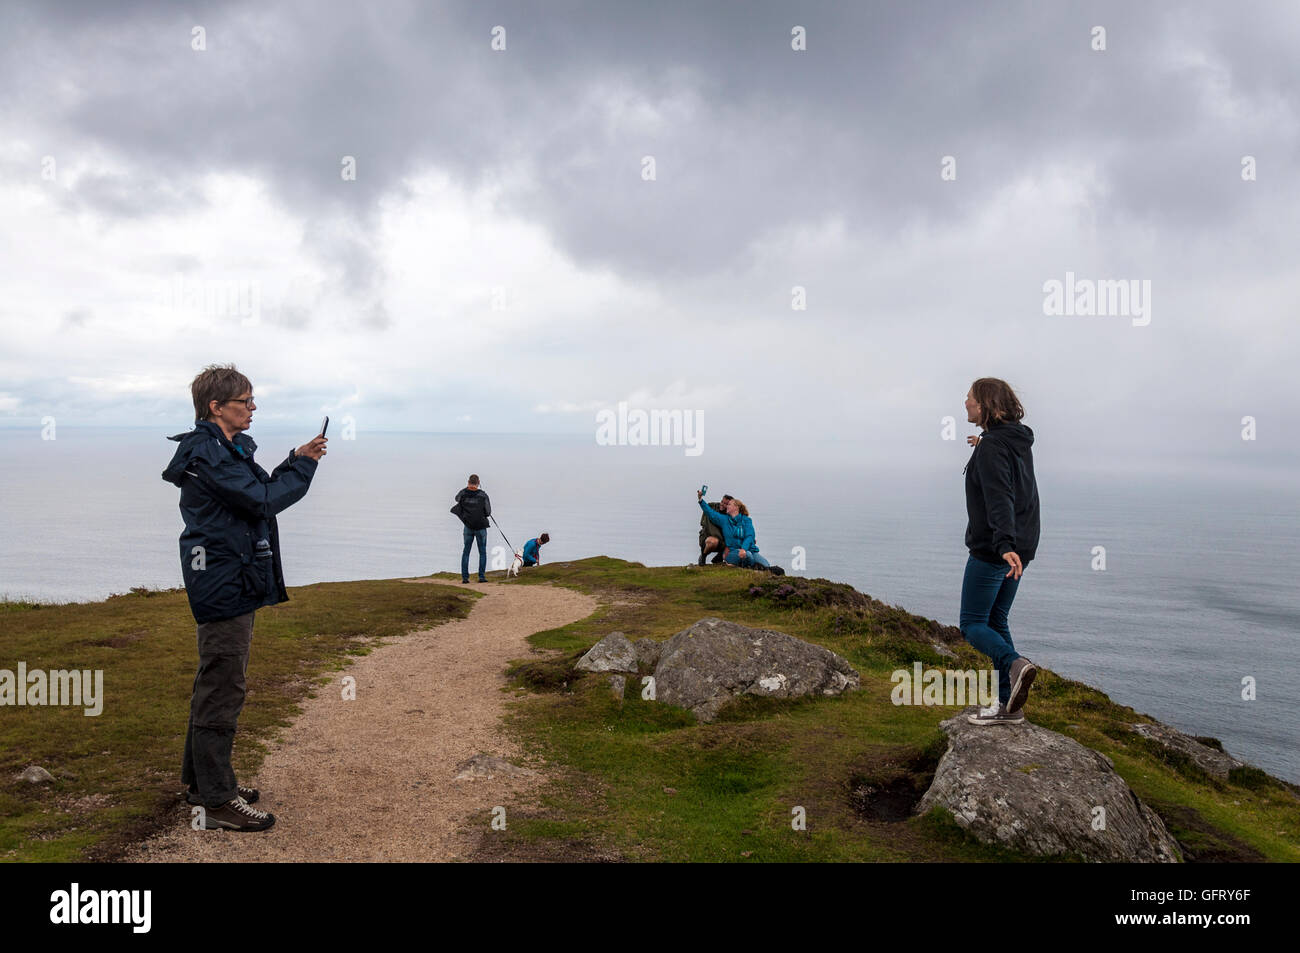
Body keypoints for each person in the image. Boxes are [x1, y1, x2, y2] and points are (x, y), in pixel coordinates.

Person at [161, 364, 326, 831]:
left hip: (229, 575)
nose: (253, 408)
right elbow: (263, 501)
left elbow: (257, 491)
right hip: (223, 580)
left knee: (214, 682)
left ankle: (203, 786)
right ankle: (216, 801)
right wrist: (306, 465)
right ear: (217, 407)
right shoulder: (208, 454)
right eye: (245, 401)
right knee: (223, 687)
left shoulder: (222, 449)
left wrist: (296, 458)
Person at [959, 377, 1040, 726]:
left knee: (972, 624)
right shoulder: (1011, 439)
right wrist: (982, 446)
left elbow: (1000, 496)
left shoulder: (994, 446)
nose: (965, 401)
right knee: (996, 620)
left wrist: (1003, 545)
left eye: (970, 397)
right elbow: (1003, 470)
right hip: (1022, 544)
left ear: (985, 405)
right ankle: (1009, 707)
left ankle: (1015, 664)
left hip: (996, 548)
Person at [695, 491, 779, 572]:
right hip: (732, 552)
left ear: (736, 507)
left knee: (766, 564)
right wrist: (700, 499)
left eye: (729, 504)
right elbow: (711, 513)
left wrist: (743, 549)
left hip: (749, 550)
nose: (726, 506)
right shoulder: (724, 520)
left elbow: (749, 536)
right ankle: (749, 566)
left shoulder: (747, 520)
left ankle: (747, 566)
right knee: (748, 556)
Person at [451, 474, 491, 583]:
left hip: (468, 526)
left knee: (466, 551)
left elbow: (456, 498)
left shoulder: (463, 493)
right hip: (481, 527)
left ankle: (465, 578)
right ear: (478, 482)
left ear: (468, 482)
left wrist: (466, 489)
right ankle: (481, 577)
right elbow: (488, 512)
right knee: (482, 552)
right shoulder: (483, 495)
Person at [698, 494, 734, 565]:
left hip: (723, 542)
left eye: (726, 504)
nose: (722, 504)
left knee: (735, 543)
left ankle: (718, 558)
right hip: (708, 539)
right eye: (722, 502)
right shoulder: (713, 508)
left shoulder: (731, 516)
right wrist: (700, 498)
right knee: (712, 541)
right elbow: (707, 509)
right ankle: (703, 556)